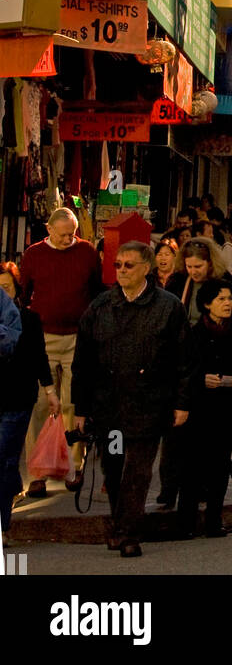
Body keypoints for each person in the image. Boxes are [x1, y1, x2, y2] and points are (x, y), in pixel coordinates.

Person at [71, 241, 193, 558]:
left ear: (146, 268)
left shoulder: (168, 308)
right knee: (113, 469)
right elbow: (82, 361)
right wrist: (81, 408)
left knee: (137, 472)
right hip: (109, 408)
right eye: (118, 265)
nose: (122, 270)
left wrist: (182, 402)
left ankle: (128, 534)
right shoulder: (100, 307)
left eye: (128, 265)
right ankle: (119, 523)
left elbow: (183, 360)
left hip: (149, 406)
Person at [19, 205, 102, 497]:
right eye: (65, 235)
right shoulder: (33, 254)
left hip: (78, 336)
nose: (70, 239)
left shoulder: (88, 252)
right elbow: (24, 293)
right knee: (41, 405)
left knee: (72, 403)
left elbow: (95, 291)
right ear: (50, 231)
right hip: (43, 336)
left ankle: (73, 467)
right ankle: (38, 472)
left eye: (74, 234)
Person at [177, 278, 232, 539]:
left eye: (230, 299)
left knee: (220, 465)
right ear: (207, 303)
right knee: (192, 465)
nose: (227, 303)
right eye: (221, 299)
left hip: (227, 408)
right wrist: (202, 379)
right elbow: (183, 370)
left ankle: (214, 520)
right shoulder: (194, 333)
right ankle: (185, 522)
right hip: (200, 408)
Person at [0, 262, 56, 532]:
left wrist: (49, 389)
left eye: (6, 287)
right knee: (6, 460)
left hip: (18, 397)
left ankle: (3, 525)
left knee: (6, 457)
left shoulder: (29, 319)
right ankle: (10, 491)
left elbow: (38, 356)